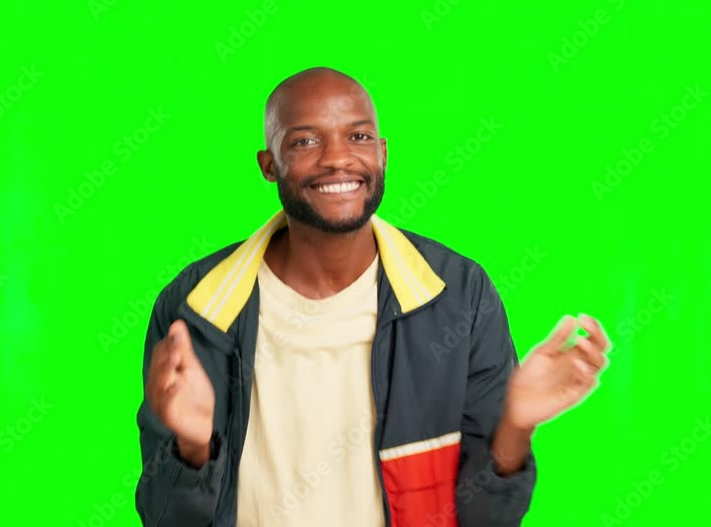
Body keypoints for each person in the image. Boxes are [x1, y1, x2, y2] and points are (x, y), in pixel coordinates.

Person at [134, 67, 611, 527]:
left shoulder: (459, 296)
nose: (337, 157)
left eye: (358, 136)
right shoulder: (196, 306)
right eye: (305, 140)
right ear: (269, 164)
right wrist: (192, 448)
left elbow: (487, 518)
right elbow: (164, 518)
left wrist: (515, 428)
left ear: (383, 153)